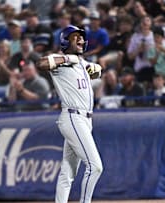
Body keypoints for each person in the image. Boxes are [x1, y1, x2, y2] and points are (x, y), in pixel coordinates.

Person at [36, 25, 103, 203]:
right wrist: (67, 58)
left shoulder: (80, 62)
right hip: (73, 117)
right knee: (95, 167)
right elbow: (41, 63)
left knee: (68, 171)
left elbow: (96, 71)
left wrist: (95, 68)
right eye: (75, 37)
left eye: (81, 37)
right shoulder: (63, 60)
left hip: (86, 120)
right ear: (66, 40)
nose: (80, 39)